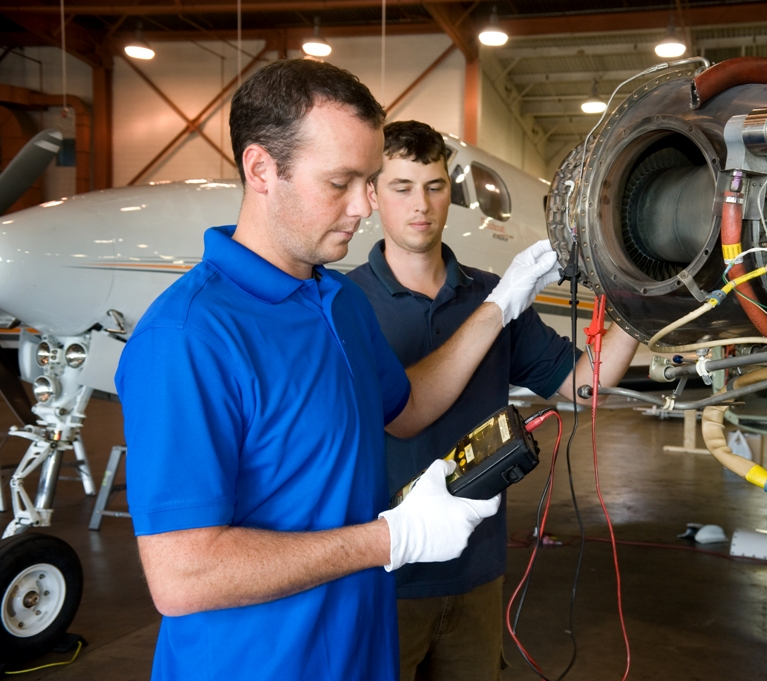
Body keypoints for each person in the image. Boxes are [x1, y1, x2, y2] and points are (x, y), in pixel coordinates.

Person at [115, 59, 562, 681]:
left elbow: (406, 409)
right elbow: (182, 576)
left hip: (360, 649)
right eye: (340, 183)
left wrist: (500, 305)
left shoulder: (339, 301)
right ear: (261, 169)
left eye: (370, 179)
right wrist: (392, 539)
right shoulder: (189, 336)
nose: (363, 206)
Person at [348, 120, 639, 681]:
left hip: (478, 573)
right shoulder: (348, 303)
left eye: (434, 187)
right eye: (401, 187)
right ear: (373, 195)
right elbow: (401, 415)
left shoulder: (494, 291)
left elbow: (580, 384)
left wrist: (639, 296)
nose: (421, 205)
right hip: (384, 575)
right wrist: (501, 306)